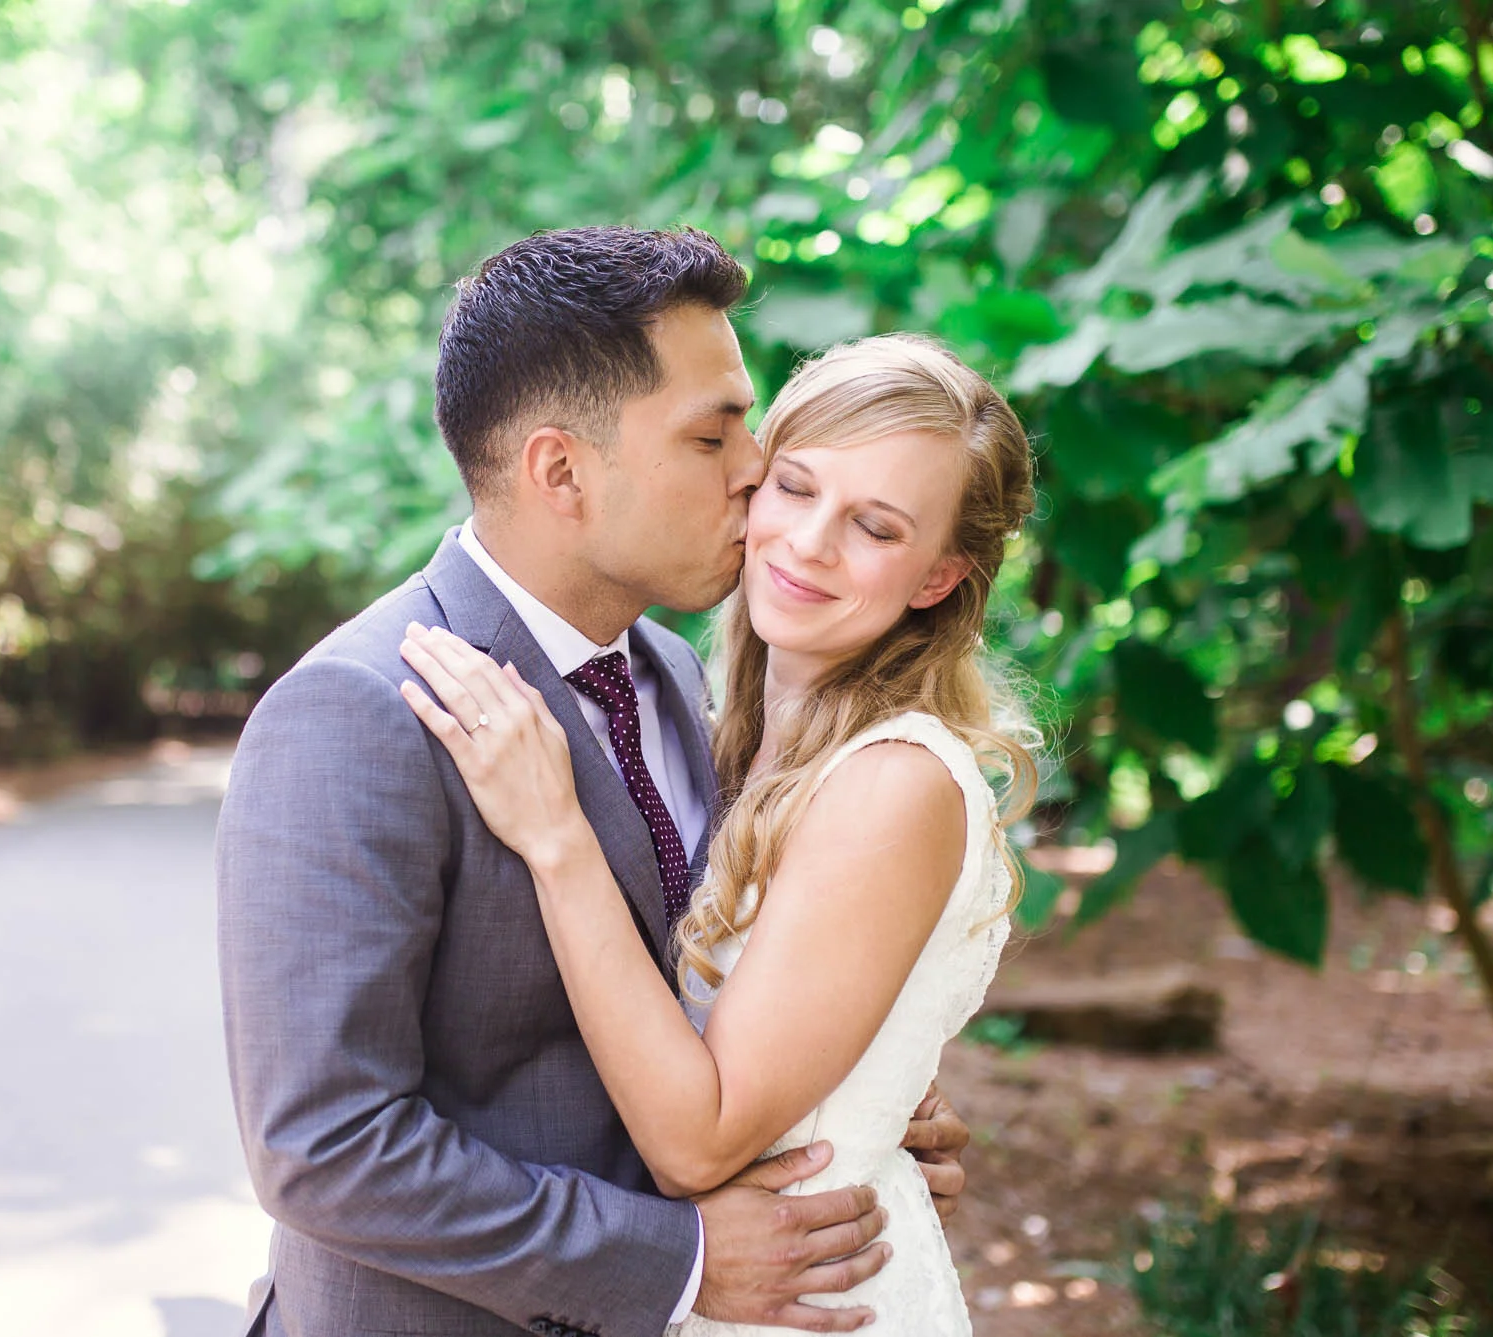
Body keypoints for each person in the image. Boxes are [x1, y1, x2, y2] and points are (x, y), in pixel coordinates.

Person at [216, 227, 975, 1337]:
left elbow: (709, 979)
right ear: (560, 471)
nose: (755, 470)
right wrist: (676, 1259)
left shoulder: (669, 672)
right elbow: (323, 1148)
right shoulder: (359, 711)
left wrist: (854, 1097)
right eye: (712, 435)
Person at [397, 331, 1039, 1335]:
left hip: (806, 1303)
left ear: (934, 578)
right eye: (794, 486)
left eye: (873, 525)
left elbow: (695, 1145)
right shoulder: (706, 726)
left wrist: (555, 835)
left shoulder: (892, 782)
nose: (810, 542)